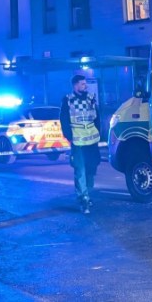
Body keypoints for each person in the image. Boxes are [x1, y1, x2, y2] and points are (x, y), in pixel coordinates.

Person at [59, 74, 102, 214]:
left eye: (85, 84)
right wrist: (70, 137)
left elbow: (97, 118)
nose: (85, 86)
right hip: (77, 142)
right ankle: (83, 198)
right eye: (82, 84)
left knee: (91, 169)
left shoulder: (91, 98)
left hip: (92, 141)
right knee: (80, 170)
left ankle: (87, 194)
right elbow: (64, 121)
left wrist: (98, 133)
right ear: (75, 85)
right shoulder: (68, 101)